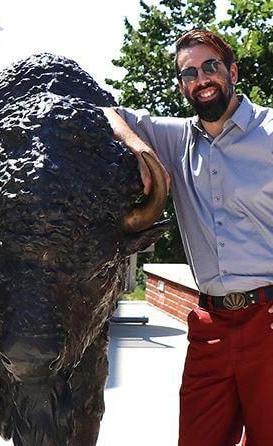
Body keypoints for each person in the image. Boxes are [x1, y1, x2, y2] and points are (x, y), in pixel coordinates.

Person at [103, 29, 273, 446]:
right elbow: (105, 112)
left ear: (232, 71)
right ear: (182, 85)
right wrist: (141, 151)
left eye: (211, 66)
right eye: (189, 72)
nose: (202, 78)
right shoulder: (175, 138)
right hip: (209, 327)